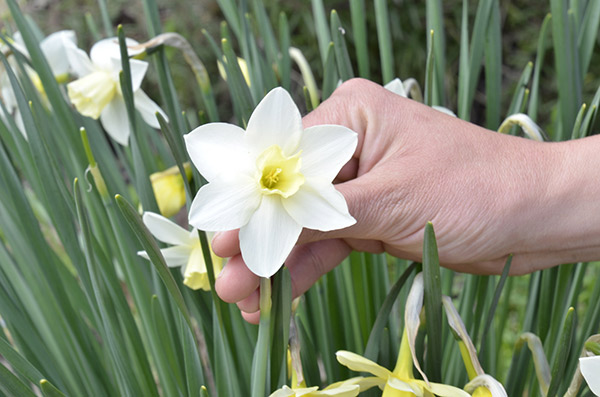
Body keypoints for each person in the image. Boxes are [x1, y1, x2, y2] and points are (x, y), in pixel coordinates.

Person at [211, 78, 600, 323]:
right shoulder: (234, 158)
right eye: (271, 178)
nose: (272, 178)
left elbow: (338, 156)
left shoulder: (316, 196)